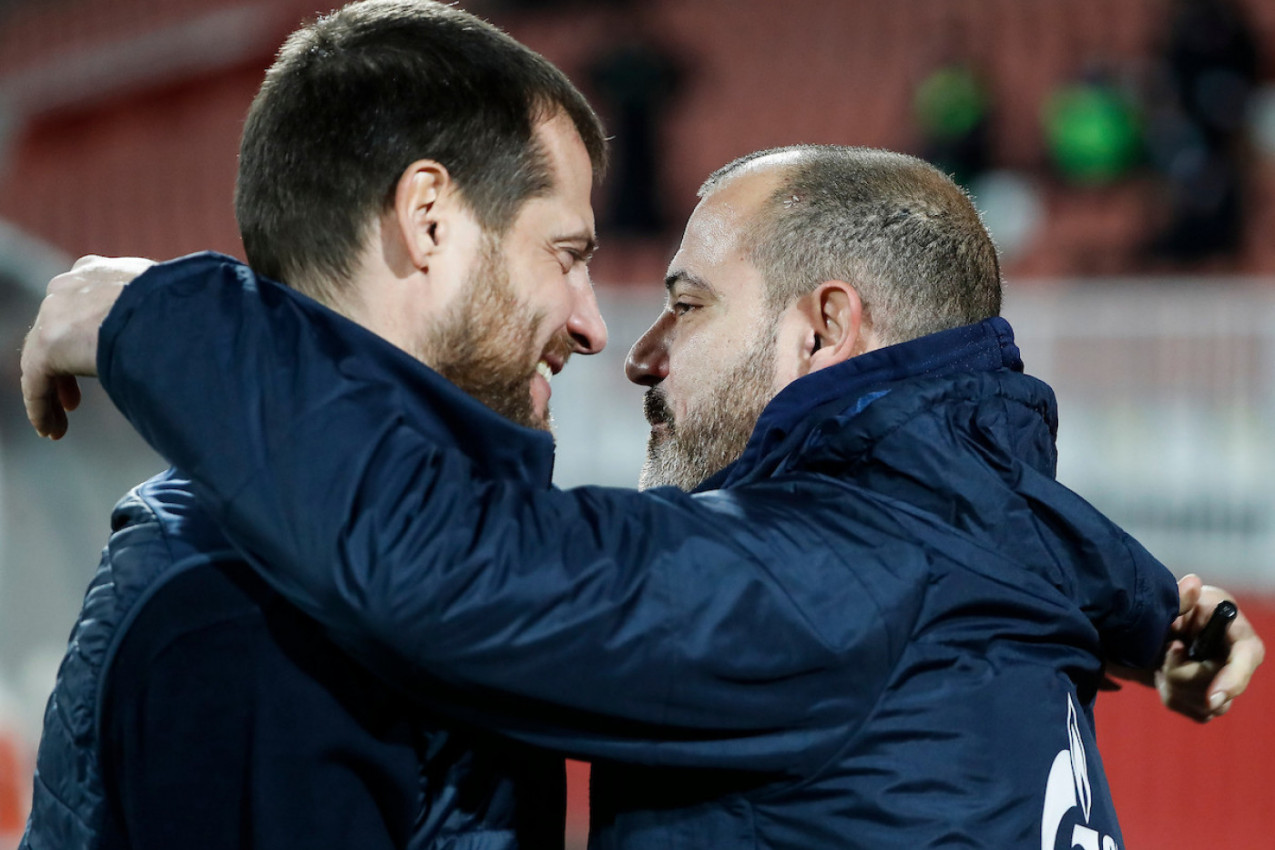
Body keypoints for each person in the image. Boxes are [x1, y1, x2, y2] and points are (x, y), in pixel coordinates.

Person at [22, 144, 1265, 848]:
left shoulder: (831, 576)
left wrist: (152, 313)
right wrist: (1149, 612)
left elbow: (446, 566)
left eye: (688, 302)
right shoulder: (990, 527)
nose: (638, 351)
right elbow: (1058, 540)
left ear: (823, 326)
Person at [17, 2, 609, 848]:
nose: (592, 326)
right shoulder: (249, 612)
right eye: (565, 255)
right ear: (428, 219)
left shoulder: (335, 561)